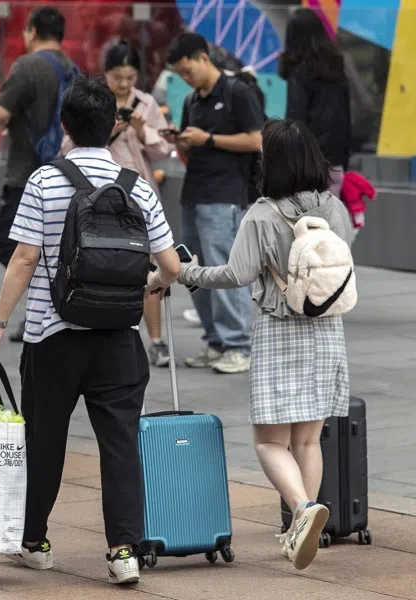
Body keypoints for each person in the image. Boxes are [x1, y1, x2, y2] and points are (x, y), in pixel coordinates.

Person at [0, 77, 180, 585]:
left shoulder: (45, 181)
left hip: (53, 337)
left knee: (45, 440)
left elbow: (23, 258)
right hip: (118, 337)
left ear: (65, 125)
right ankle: (123, 552)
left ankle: (34, 543)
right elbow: (172, 267)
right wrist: (147, 285)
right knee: (119, 443)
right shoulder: (136, 185)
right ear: (114, 126)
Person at [176, 118, 351, 571]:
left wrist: (188, 273)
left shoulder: (262, 213)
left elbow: (236, 275)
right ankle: (303, 525)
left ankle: (301, 511)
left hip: (278, 330)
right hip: (326, 330)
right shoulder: (334, 207)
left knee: (269, 442)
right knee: (309, 441)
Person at [62, 41, 173, 366]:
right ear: (106, 73)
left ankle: (156, 340)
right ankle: (109, 329)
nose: (124, 84)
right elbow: (68, 147)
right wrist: (108, 132)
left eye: (130, 76)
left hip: (138, 193)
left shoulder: (146, 102)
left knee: (149, 266)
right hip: (95, 195)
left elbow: (165, 150)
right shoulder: (94, 102)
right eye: (117, 76)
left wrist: (142, 132)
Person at [165, 32, 263, 375]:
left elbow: (256, 139)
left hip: (226, 195)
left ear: (204, 57)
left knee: (225, 268)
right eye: (179, 74)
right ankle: (215, 341)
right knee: (190, 270)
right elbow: (191, 152)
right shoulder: (193, 100)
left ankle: (238, 344)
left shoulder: (237, 91)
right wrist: (182, 142)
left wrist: (208, 138)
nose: (185, 77)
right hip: (194, 192)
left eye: (187, 69)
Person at [0, 6, 78, 343]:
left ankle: (45, 304)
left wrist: (5, 121)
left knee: (6, 242)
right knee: (47, 244)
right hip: (64, 169)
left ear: (31, 31)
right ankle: (43, 307)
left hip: (27, 170)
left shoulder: (26, 66)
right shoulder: (72, 67)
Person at [279, 7, 351, 198]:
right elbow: (345, 118)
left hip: (308, 168)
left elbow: (296, 119)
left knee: (306, 225)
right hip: (335, 164)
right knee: (328, 224)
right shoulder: (337, 69)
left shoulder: (299, 72)